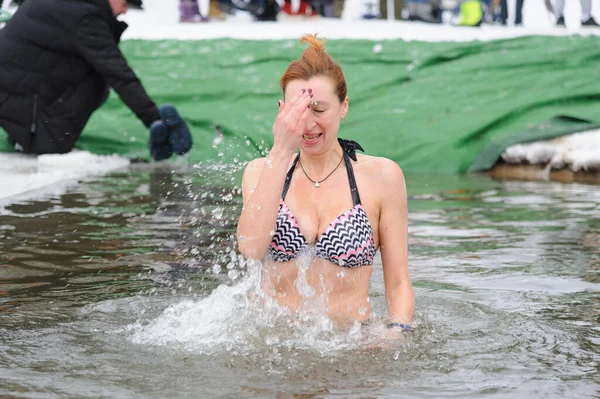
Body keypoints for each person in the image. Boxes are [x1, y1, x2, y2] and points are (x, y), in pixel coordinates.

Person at [236, 34, 415, 333]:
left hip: (347, 346)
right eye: (298, 111)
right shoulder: (261, 172)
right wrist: (280, 152)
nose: (307, 124)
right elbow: (251, 247)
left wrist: (396, 333)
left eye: (318, 110)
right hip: (272, 346)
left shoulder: (383, 177)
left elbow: (398, 284)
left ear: (343, 107)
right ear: (282, 110)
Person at [0, 0, 192, 161]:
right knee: (96, 82)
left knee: (88, 69)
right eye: (125, 3)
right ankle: (38, 139)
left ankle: (24, 131)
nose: (125, 10)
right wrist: (153, 119)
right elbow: (118, 74)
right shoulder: (86, 19)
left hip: (12, 82)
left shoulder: (77, 6)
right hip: (13, 90)